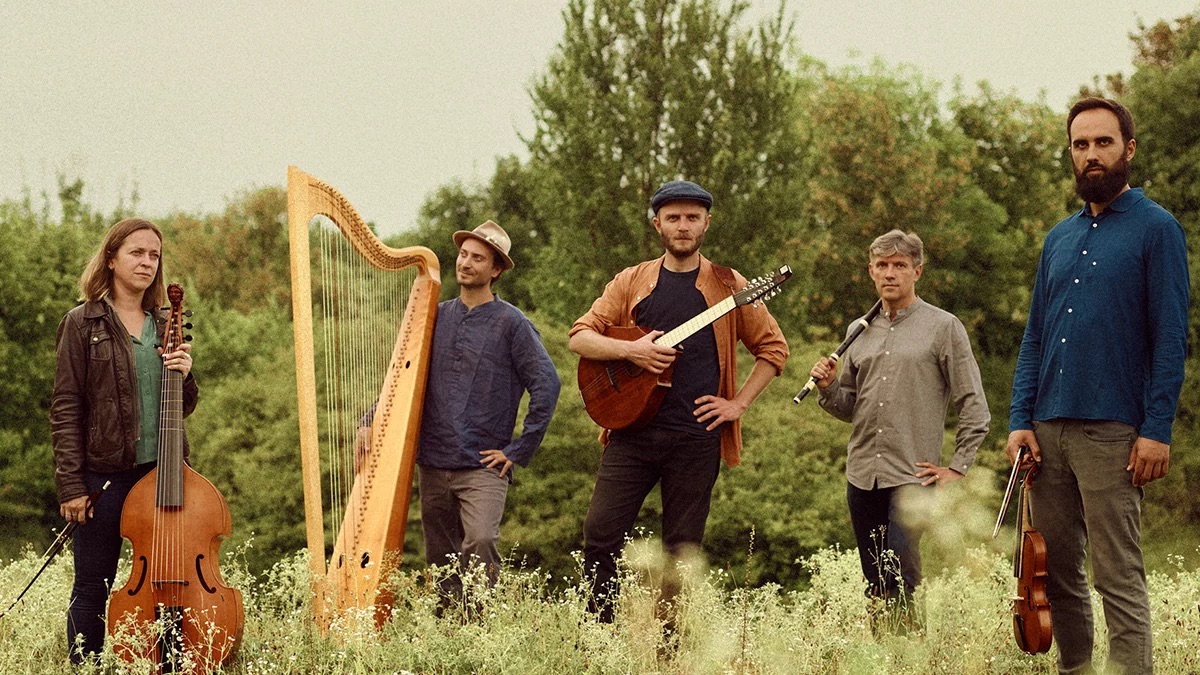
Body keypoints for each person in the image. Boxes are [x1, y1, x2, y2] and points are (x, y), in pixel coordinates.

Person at [1006, 97, 1189, 674]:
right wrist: (1019, 420)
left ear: (1128, 149)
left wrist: (1155, 430)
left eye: (1103, 143)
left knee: (1117, 576)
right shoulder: (1057, 239)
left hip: (1114, 432)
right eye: (1080, 145)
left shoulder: (1158, 230)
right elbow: (1035, 336)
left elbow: (1170, 339)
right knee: (1056, 574)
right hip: (1047, 430)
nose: (1091, 155)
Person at [569, 180, 789, 622]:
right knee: (600, 535)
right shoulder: (633, 280)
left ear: (707, 222)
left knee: (681, 552)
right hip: (631, 432)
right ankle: (600, 638)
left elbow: (774, 350)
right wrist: (631, 350)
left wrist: (737, 404)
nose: (683, 226)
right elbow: (581, 337)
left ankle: (670, 652)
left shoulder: (730, 285)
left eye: (692, 217)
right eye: (674, 218)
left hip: (696, 438)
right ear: (658, 224)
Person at [809, 229, 990, 623]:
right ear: (871, 271)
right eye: (882, 265)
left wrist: (958, 467)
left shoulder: (944, 327)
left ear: (917, 272)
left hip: (913, 475)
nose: (890, 274)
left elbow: (973, 403)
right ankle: (882, 660)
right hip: (862, 474)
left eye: (900, 265)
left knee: (901, 575)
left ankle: (907, 657)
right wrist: (827, 388)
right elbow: (850, 407)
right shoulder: (858, 331)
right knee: (873, 581)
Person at [51, 218, 196, 664]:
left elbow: (183, 405)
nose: (147, 262)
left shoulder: (165, 322)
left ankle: (169, 667)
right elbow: (66, 408)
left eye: (154, 255)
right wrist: (72, 486)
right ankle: (87, 668)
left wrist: (186, 376)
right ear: (111, 258)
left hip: (162, 475)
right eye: (137, 252)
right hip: (104, 477)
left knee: (171, 580)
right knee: (93, 584)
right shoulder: (82, 322)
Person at [412, 220, 560, 598]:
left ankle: (483, 630)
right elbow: (405, 376)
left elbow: (547, 383)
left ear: (495, 270)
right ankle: (449, 638)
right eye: (463, 254)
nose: (466, 263)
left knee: (479, 542)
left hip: (483, 465)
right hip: (432, 459)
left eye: (478, 258)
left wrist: (518, 450)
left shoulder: (512, 323)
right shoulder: (436, 316)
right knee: (440, 561)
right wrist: (369, 420)